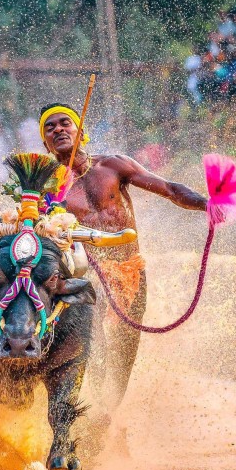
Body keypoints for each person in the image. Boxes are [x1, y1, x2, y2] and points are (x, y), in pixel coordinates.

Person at [37, 103, 207, 426]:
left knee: (125, 352)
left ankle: (108, 416)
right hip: (90, 277)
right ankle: (96, 411)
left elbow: (169, 189)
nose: (58, 130)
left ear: (80, 130)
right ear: (45, 144)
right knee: (95, 342)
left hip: (131, 272)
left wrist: (206, 205)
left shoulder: (113, 165)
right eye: (50, 128)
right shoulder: (48, 189)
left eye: (65, 124)